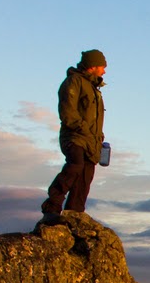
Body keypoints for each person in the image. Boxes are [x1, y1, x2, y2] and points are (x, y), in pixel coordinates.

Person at [41, 49, 108, 216]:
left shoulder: (94, 89)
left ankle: (75, 213)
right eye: (102, 66)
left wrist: (98, 138)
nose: (104, 71)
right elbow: (68, 112)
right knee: (75, 166)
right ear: (92, 66)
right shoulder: (74, 82)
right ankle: (52, 205)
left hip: (91, 141)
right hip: (75, 137)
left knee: (85, 177)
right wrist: (82, 128)